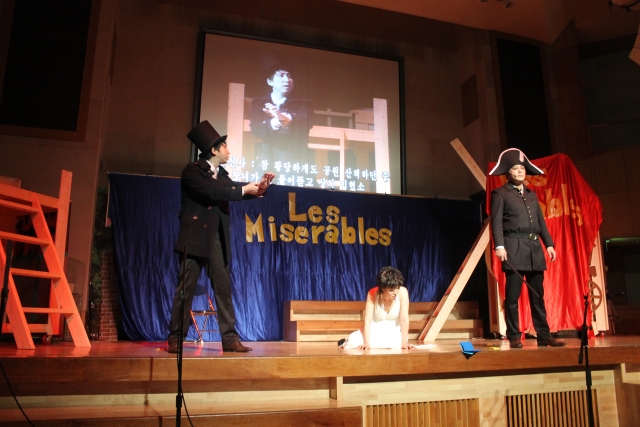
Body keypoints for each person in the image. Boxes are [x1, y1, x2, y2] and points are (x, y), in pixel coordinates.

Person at [168, 120, 275, 353]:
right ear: (214, 150)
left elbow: (235, 191)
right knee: (185, 288)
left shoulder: (222, 175)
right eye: (224, 146)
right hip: (195, 237)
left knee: (223, 289)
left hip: (217, 237)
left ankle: (229, 339)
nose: (228, 150)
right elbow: (212, 192)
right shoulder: (192, 171)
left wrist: (260, 189)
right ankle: (176, 337)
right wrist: (242, 189)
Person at [489, 148, 566, 349]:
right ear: (508, 173)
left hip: (534, 249)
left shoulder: (531, 194)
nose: (520, 171)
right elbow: (496, 222)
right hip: (514, 248)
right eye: (515, 168)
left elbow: (541, 222)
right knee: (513, 296)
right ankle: (514, 335)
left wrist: (549, 244)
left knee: (537, 295)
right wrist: (499, 245)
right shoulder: (500, 193)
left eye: (522, 168)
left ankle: (543, 335)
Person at [249, 62, 309, 169]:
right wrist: (274, 123)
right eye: (281, 75)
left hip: (295, 161)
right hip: (267, 159)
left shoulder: (303, 104)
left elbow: (306, 123)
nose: (287, 80)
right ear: (270, 81)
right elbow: (255, 130)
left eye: (289, 76)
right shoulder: (258, 104)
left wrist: (283, 117)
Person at [339, 266, 416, 350]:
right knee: (354, 339)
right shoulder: (372, 293)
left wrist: (404, 343)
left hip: (393, 333)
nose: (395, 293)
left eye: (397, 288)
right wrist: (367, 343)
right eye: (391, 290)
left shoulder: (403, 292)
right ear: (382, 288)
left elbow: (404, 319)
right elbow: (368, 320)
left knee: (397, 342)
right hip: (374, 332)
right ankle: (348, 340)